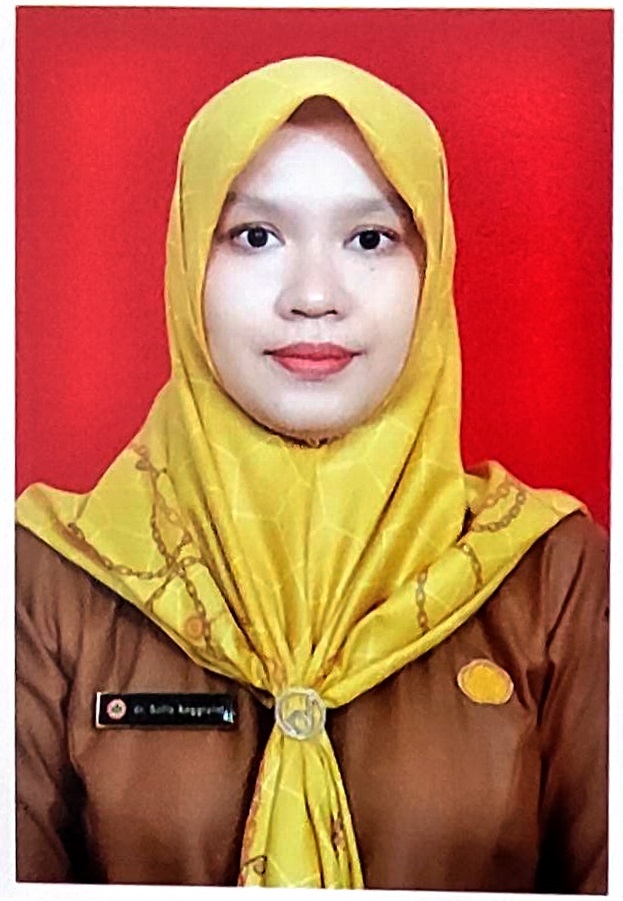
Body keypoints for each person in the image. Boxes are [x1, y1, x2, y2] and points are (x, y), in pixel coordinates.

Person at [15, 56, 608, 892]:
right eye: (255, 236)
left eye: (369, 239)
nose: (313, 295)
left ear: (431, 268)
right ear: (189, 261)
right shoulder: (52, 577)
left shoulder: (553, 577)